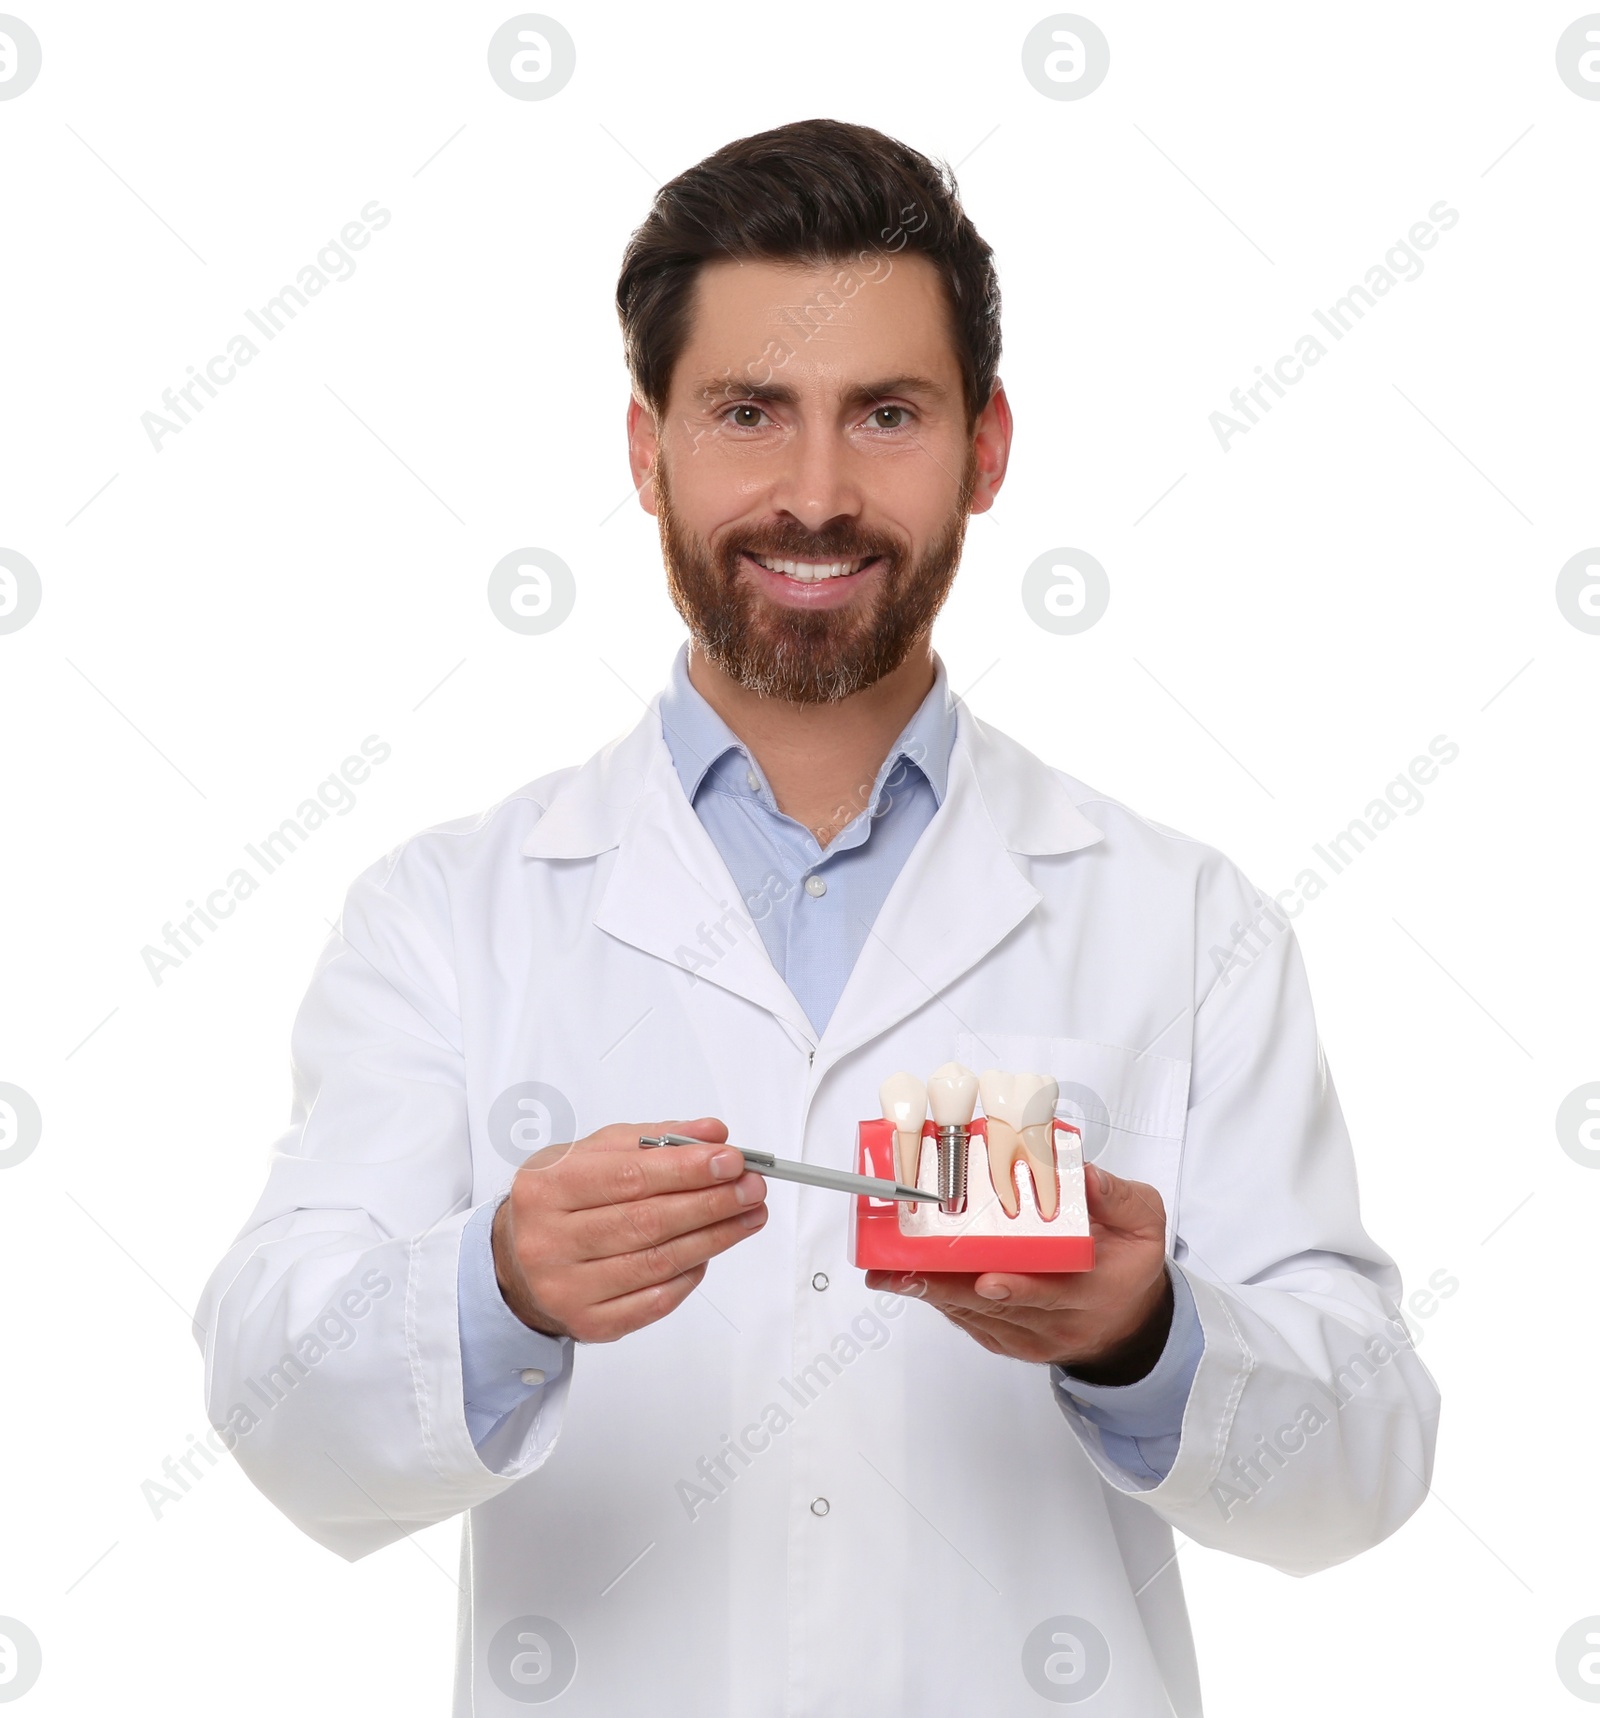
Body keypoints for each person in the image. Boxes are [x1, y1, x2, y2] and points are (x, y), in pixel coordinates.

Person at [197, 118, 1440, 1716]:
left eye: (889, 414)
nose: (815, 494)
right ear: (646, 448)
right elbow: (272, 1402)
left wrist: (1148, 1332)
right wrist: (495, 1281)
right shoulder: (450, 912)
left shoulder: (1184, 919)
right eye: (746, 413)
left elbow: (1371, 1458)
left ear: (987, 448)